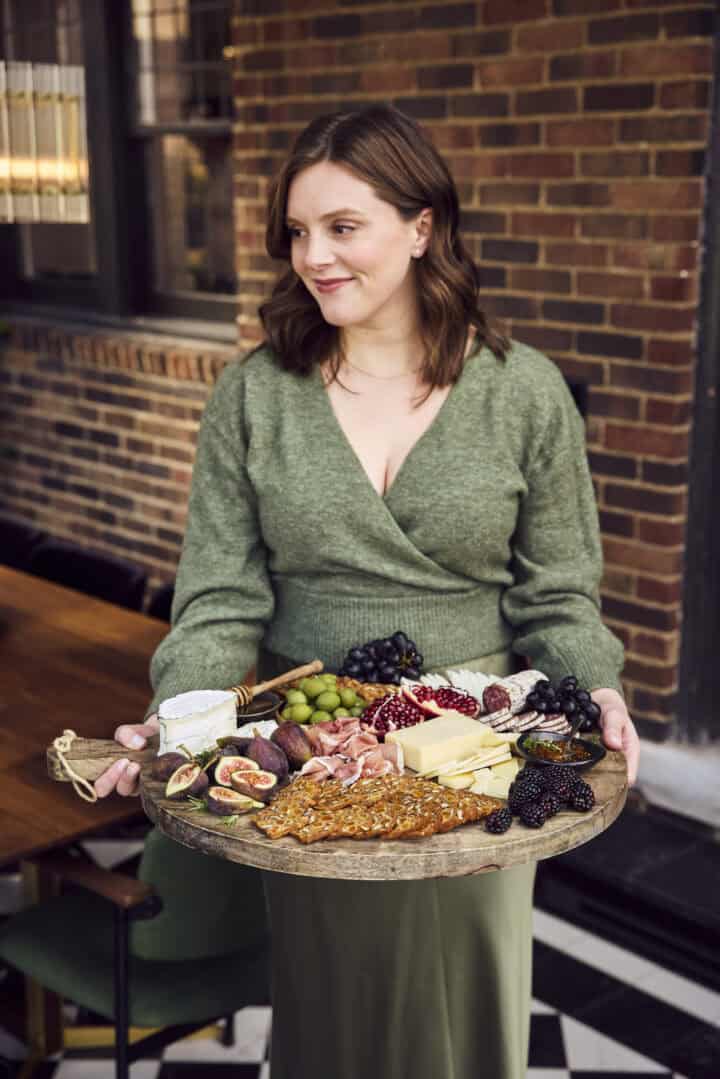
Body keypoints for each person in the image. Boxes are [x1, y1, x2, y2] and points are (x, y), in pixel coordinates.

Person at [95, 103, 640, 1079]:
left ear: (422, 227)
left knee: (465, 985)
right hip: (314, 746)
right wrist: (183, 709)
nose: (314, 256)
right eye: (298, 231)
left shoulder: (525, 392)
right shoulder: (255, 394)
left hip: (479, 745)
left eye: (343, 226)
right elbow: (220, 595)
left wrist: (596, 683)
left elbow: (559, 593)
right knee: (332, 991)